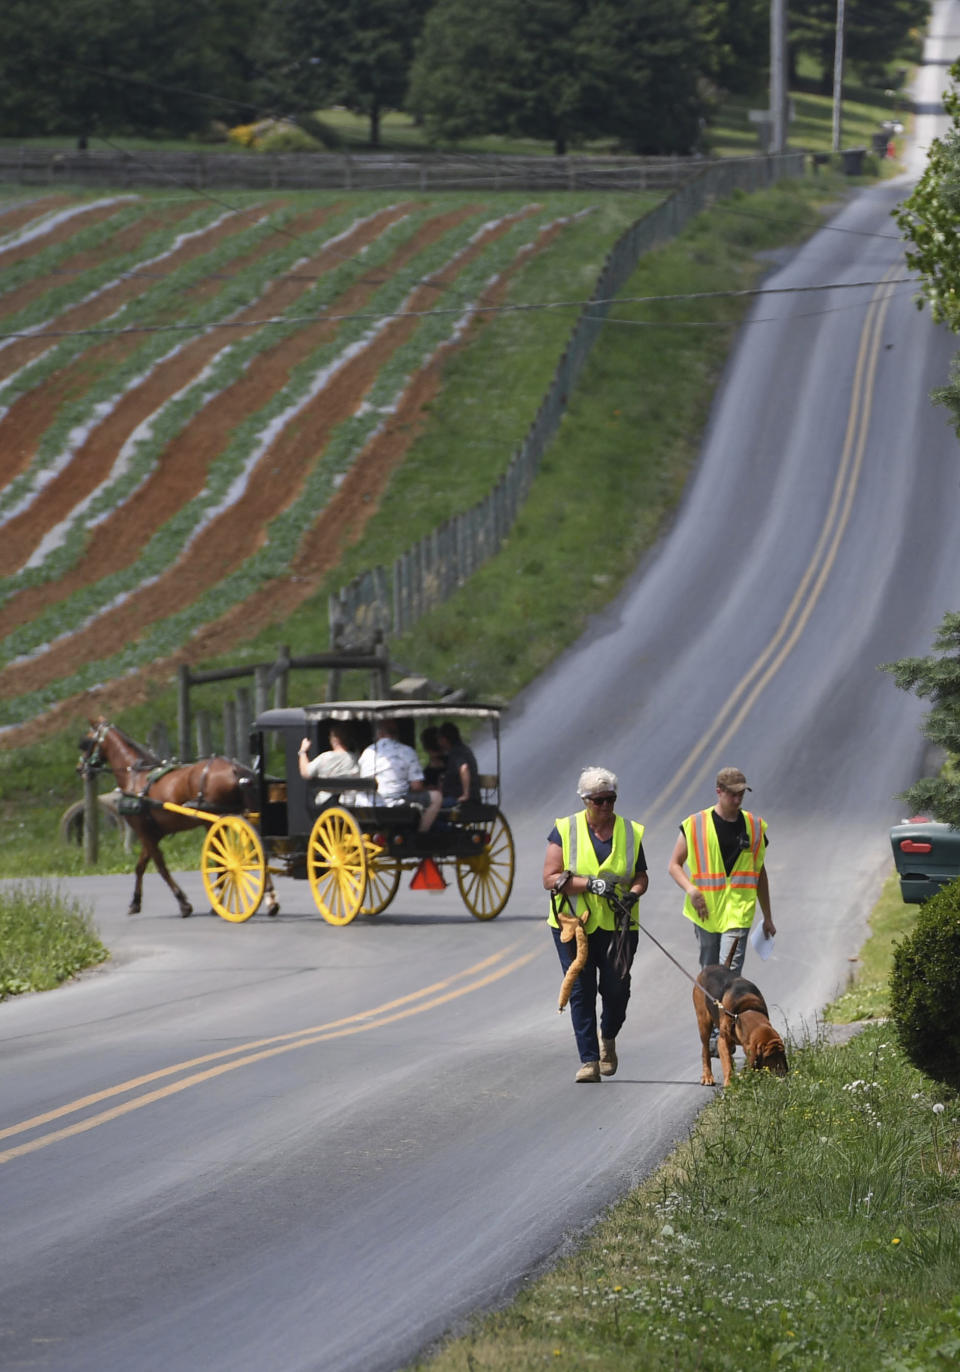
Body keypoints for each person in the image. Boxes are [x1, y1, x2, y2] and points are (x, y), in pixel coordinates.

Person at [542, 766, 649, 1083]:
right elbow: (549, 878)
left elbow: (641, 875)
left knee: (617, 990)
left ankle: (609, 1037)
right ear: (585, 800)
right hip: (573, 926)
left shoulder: (630, 832)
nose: (605, 806)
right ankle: (588, 1060)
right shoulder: (565, 829)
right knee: (581, 989)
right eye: (598, 800)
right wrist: (588, 884)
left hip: (619, 926)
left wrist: (633, 893)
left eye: (610, 799)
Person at [667, 765, 775, 978]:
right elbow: (674, 865)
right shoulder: (695, 824)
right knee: (709, 974)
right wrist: (691, 890)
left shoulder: (754, 826)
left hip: (738, 912)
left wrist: (768, 917)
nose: (737, 800)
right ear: (719, 791)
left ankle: (727, 1012)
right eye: (733, 795)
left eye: (741, 795)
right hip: (705, 910)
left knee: (730, 974)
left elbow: (759, 874)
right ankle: (711, 1012)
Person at [355, 718, 441, 833]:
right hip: (394, 805)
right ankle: (421, 834)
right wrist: (429, 788)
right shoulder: (407, 751)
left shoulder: (367, 752)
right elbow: (416, 786)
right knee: (436, 797)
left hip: (366, 804)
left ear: (379, 733)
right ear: (397, 733)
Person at [298, 725, 359, 805]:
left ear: (335, 740)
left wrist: (303, 751)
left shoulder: (325, 757)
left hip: (326, 802)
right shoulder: (355, 758)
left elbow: (305, 773)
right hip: (347, 802)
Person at [437, 721, 480, 808]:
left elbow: (464, 768)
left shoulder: (458, 752)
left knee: (432, 808)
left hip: (460, 798)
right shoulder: (458, 750)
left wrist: (465, 795)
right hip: (455, 795)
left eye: (439, 739)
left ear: (444, 739)